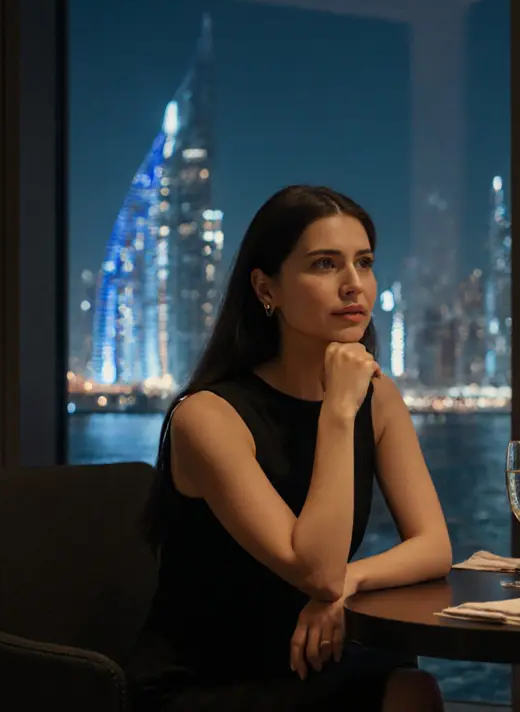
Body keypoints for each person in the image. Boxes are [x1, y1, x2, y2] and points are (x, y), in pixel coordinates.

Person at [126, 185, 453, 711]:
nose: (354, 285)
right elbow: (315, 570)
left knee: (413, 688)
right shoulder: (208, 417)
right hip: (206, 680)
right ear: (266, 288)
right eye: (325, 264)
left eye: (363, 263)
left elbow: (434, 546)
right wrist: (339, 412)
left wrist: (350, 584)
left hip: (314, 653)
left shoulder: (378, 396)